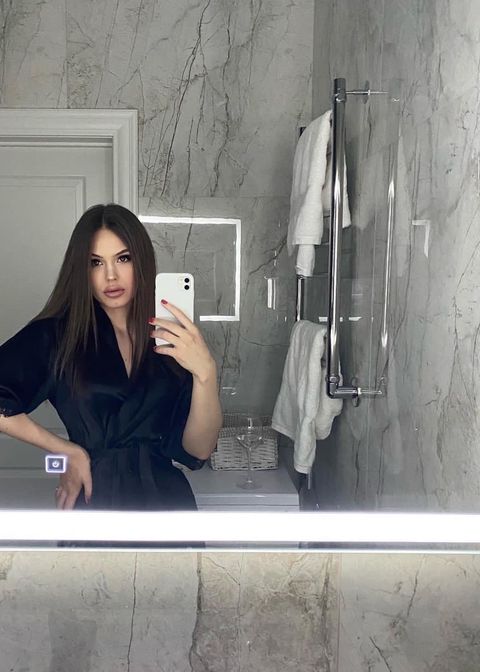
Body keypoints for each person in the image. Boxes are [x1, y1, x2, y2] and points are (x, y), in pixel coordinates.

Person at [0, 203, 223, 511]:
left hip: (167, 506)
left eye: (123, 258)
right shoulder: (57, 335)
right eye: (95, 262)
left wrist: (206, 373)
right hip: (96, 502)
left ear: (141, 261)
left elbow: (198, 450)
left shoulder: (171, 338)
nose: (110, 275)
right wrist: (66, 450)